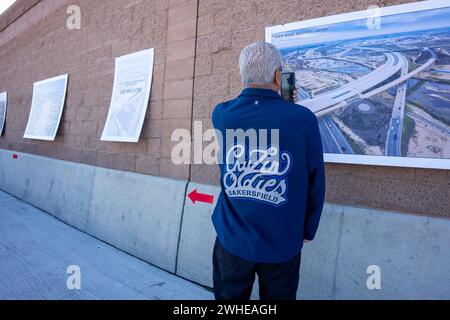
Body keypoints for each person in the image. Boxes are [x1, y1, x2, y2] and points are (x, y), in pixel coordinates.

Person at [211, 41, 326, 300]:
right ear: (278, 76)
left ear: (242, 75)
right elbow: (316, 179)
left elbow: (249, 109)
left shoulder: (221, 114)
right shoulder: (302, 119)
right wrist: (308, 229)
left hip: (232, 238)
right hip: (282, 240)